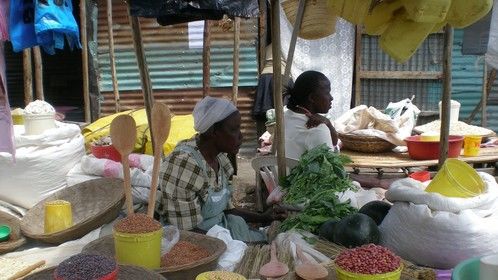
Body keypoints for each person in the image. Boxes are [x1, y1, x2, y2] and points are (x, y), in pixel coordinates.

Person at [157, 96, 286, 242]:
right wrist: (229, 244)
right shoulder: (184, 165)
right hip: (196, 243)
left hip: (219, 230)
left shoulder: (220, 159)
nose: (241, 136)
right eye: (233, 129)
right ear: (213, 132)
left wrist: (263, 218)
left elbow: (228, 210)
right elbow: (186, 232)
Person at [284, 70, 339, 160]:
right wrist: (326, 125)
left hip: (280, 173)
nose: (331, 98)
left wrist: (328, 124)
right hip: (299, 174)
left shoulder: (285, 116)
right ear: (312, 97)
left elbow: (334, 142)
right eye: (327, 92)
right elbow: (330, 166)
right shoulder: (317, 128)